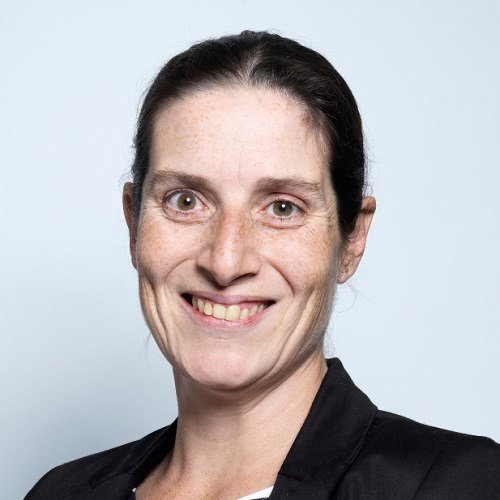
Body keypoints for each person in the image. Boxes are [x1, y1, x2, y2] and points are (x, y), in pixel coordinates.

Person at [26, 30, 500, 500]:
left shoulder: (459, 484)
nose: (226, 261)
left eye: (282, 208)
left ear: (352, 239)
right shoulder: (59, 493)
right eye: (185, 201)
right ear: (134, 224)